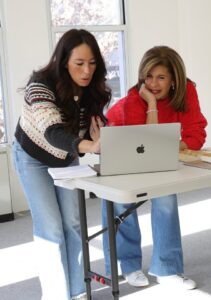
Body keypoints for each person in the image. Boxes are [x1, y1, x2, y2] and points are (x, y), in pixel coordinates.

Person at [12, 29, 111, 300]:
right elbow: (53, 132)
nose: (87, 70)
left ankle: (77, 292)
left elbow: (89, 129)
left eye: (92, 63)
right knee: (51, 228)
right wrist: (90, 146)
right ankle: (57, 295)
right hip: (32, 156)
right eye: (79, 63)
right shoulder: (40, 86)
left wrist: (99, 135)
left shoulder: (94, 89)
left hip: (67, 157)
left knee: (73, 222)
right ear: (63, 60)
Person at [102, 45, 207, 290]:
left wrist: (166, 147)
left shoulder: (187, 91)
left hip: (160, 158)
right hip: (121, 145)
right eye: (148, 77)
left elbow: (196, 135)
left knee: (166, 199)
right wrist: (151, 103)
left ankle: (167, 269)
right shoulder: (135, 98)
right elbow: (146, 142)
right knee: (123, 202)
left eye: (161, 77)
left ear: (174, 79)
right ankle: (128, 265)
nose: (153, 84)